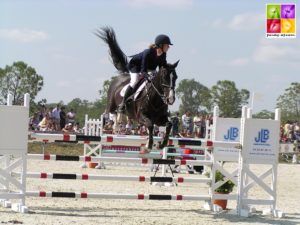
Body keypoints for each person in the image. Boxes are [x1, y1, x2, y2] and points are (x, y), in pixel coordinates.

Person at [118, 34, 173, 112]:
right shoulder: (148, 52)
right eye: (167, 45)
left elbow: (162, 67)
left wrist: (170, 69)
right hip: (136, 66)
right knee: (134, 81)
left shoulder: (163, 54)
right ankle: (123, 103)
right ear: (161, 45)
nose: (169, 47)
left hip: (150, 69)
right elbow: (143, 69)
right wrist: (146, 75)